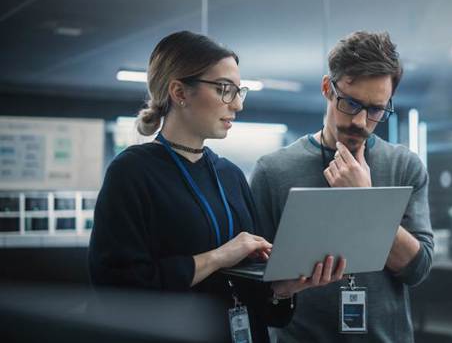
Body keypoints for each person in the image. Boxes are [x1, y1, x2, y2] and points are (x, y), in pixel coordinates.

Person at [88, 31, 345, 343]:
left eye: (239, 92)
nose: (236, 105)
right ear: (179, 91)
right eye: (225, 90)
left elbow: (257, 300)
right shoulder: (132, 172)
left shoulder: (231, 175)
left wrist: (282, 288)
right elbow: (118, 290)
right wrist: (219, 256)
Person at [250, 31, 434, 342]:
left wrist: (365, 199)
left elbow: (417, 269)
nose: (361, 121)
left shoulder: (405, 166)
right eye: (351, 103)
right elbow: (254, 281)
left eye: (376, 109)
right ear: (327, 88)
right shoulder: (273, 170)